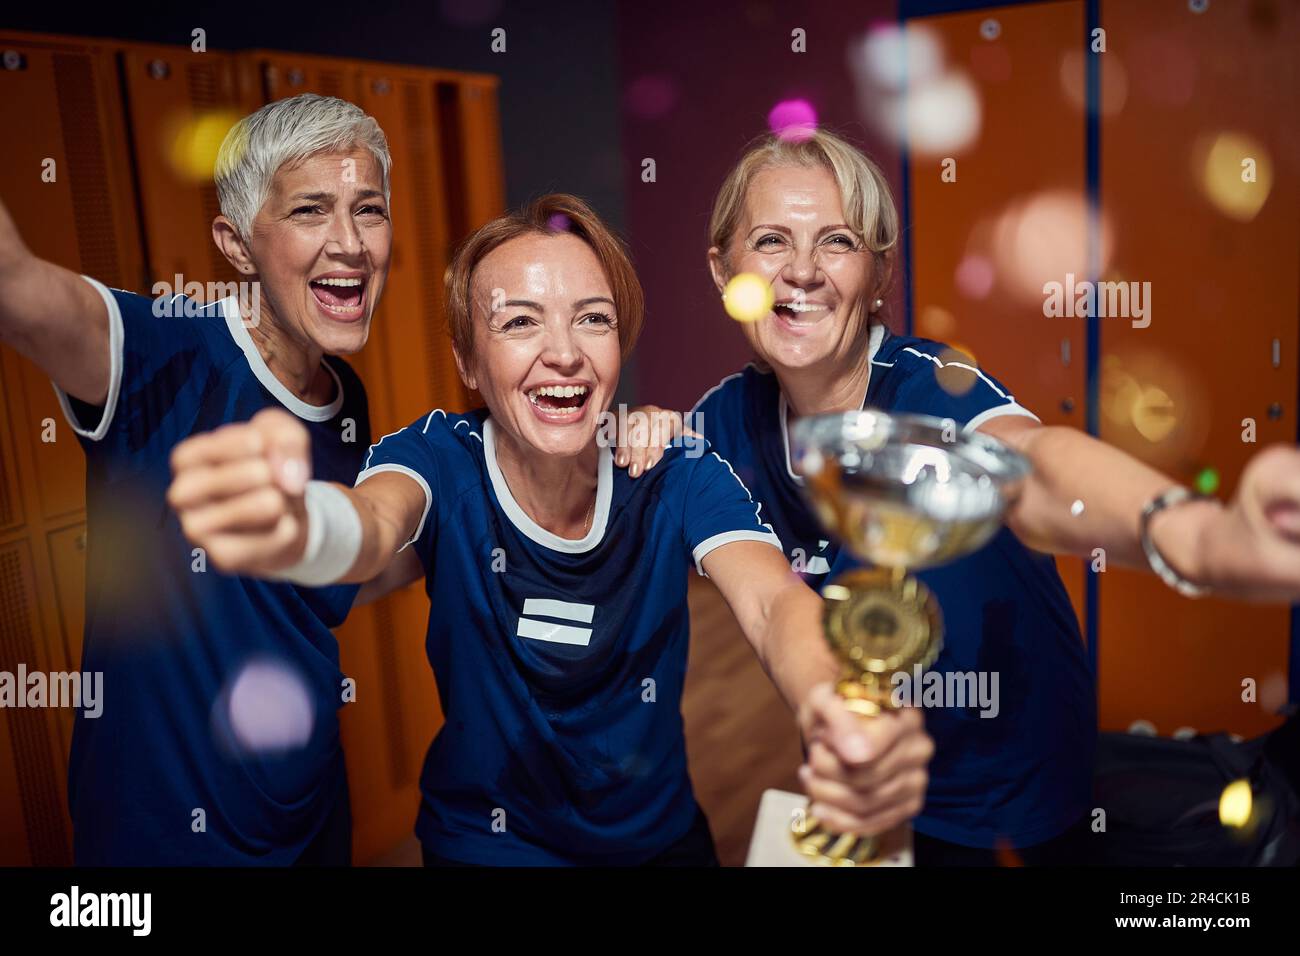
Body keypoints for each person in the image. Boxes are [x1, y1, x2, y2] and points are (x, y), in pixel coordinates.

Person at [166, 193, 935, 865]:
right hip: (488, 845)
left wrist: (835, 706)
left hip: (658, 841)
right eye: (520, 323)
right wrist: (301, 521)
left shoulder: (671, 468)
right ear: (468, 359)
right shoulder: (439, 458)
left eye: (591, 320)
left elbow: (772, 605)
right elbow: (372, 527)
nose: (563, 354)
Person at [623, 129, 1300, 865]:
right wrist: (644, 429)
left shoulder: (931, 389)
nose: (804, 271)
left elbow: (1034, 466)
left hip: (1010, 785)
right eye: (772, 241)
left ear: (879, 274)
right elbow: (757, 594)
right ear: (725, 271)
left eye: (838, 242)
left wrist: (1198, 536)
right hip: (868, 768)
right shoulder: (723, 420)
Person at [0, 92, 394, 864]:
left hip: (308, 817)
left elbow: (313, 593)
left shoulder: (348, 400)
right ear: (238, 245)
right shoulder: (157, 348)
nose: (349, 242)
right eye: (311, 210)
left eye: (369, 209)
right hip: (157, 841)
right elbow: (16, 288)